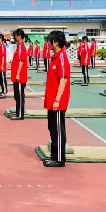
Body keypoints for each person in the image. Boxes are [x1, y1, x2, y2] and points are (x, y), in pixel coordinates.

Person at [43, 31, 70, 167]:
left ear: (56, 42)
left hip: (57, 102)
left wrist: (57, 100)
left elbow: (63, 80)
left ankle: (59, 159)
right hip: (51, 101)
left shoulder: (61, 58)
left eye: (50, 41)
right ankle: (54, 156)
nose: (48, 43)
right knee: (52, 128)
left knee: (58, 130)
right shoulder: (54, 58)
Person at [10, 29, 28, 119]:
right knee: (16, 95)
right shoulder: (18, 46)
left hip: (20, 76)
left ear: (19, 36)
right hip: (16, 75)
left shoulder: (21, 46)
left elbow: (21, 60)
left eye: (15, 36)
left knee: (20, 96)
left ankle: (20, 114)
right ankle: (18, 112)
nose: (14, 38)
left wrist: (18, 74)